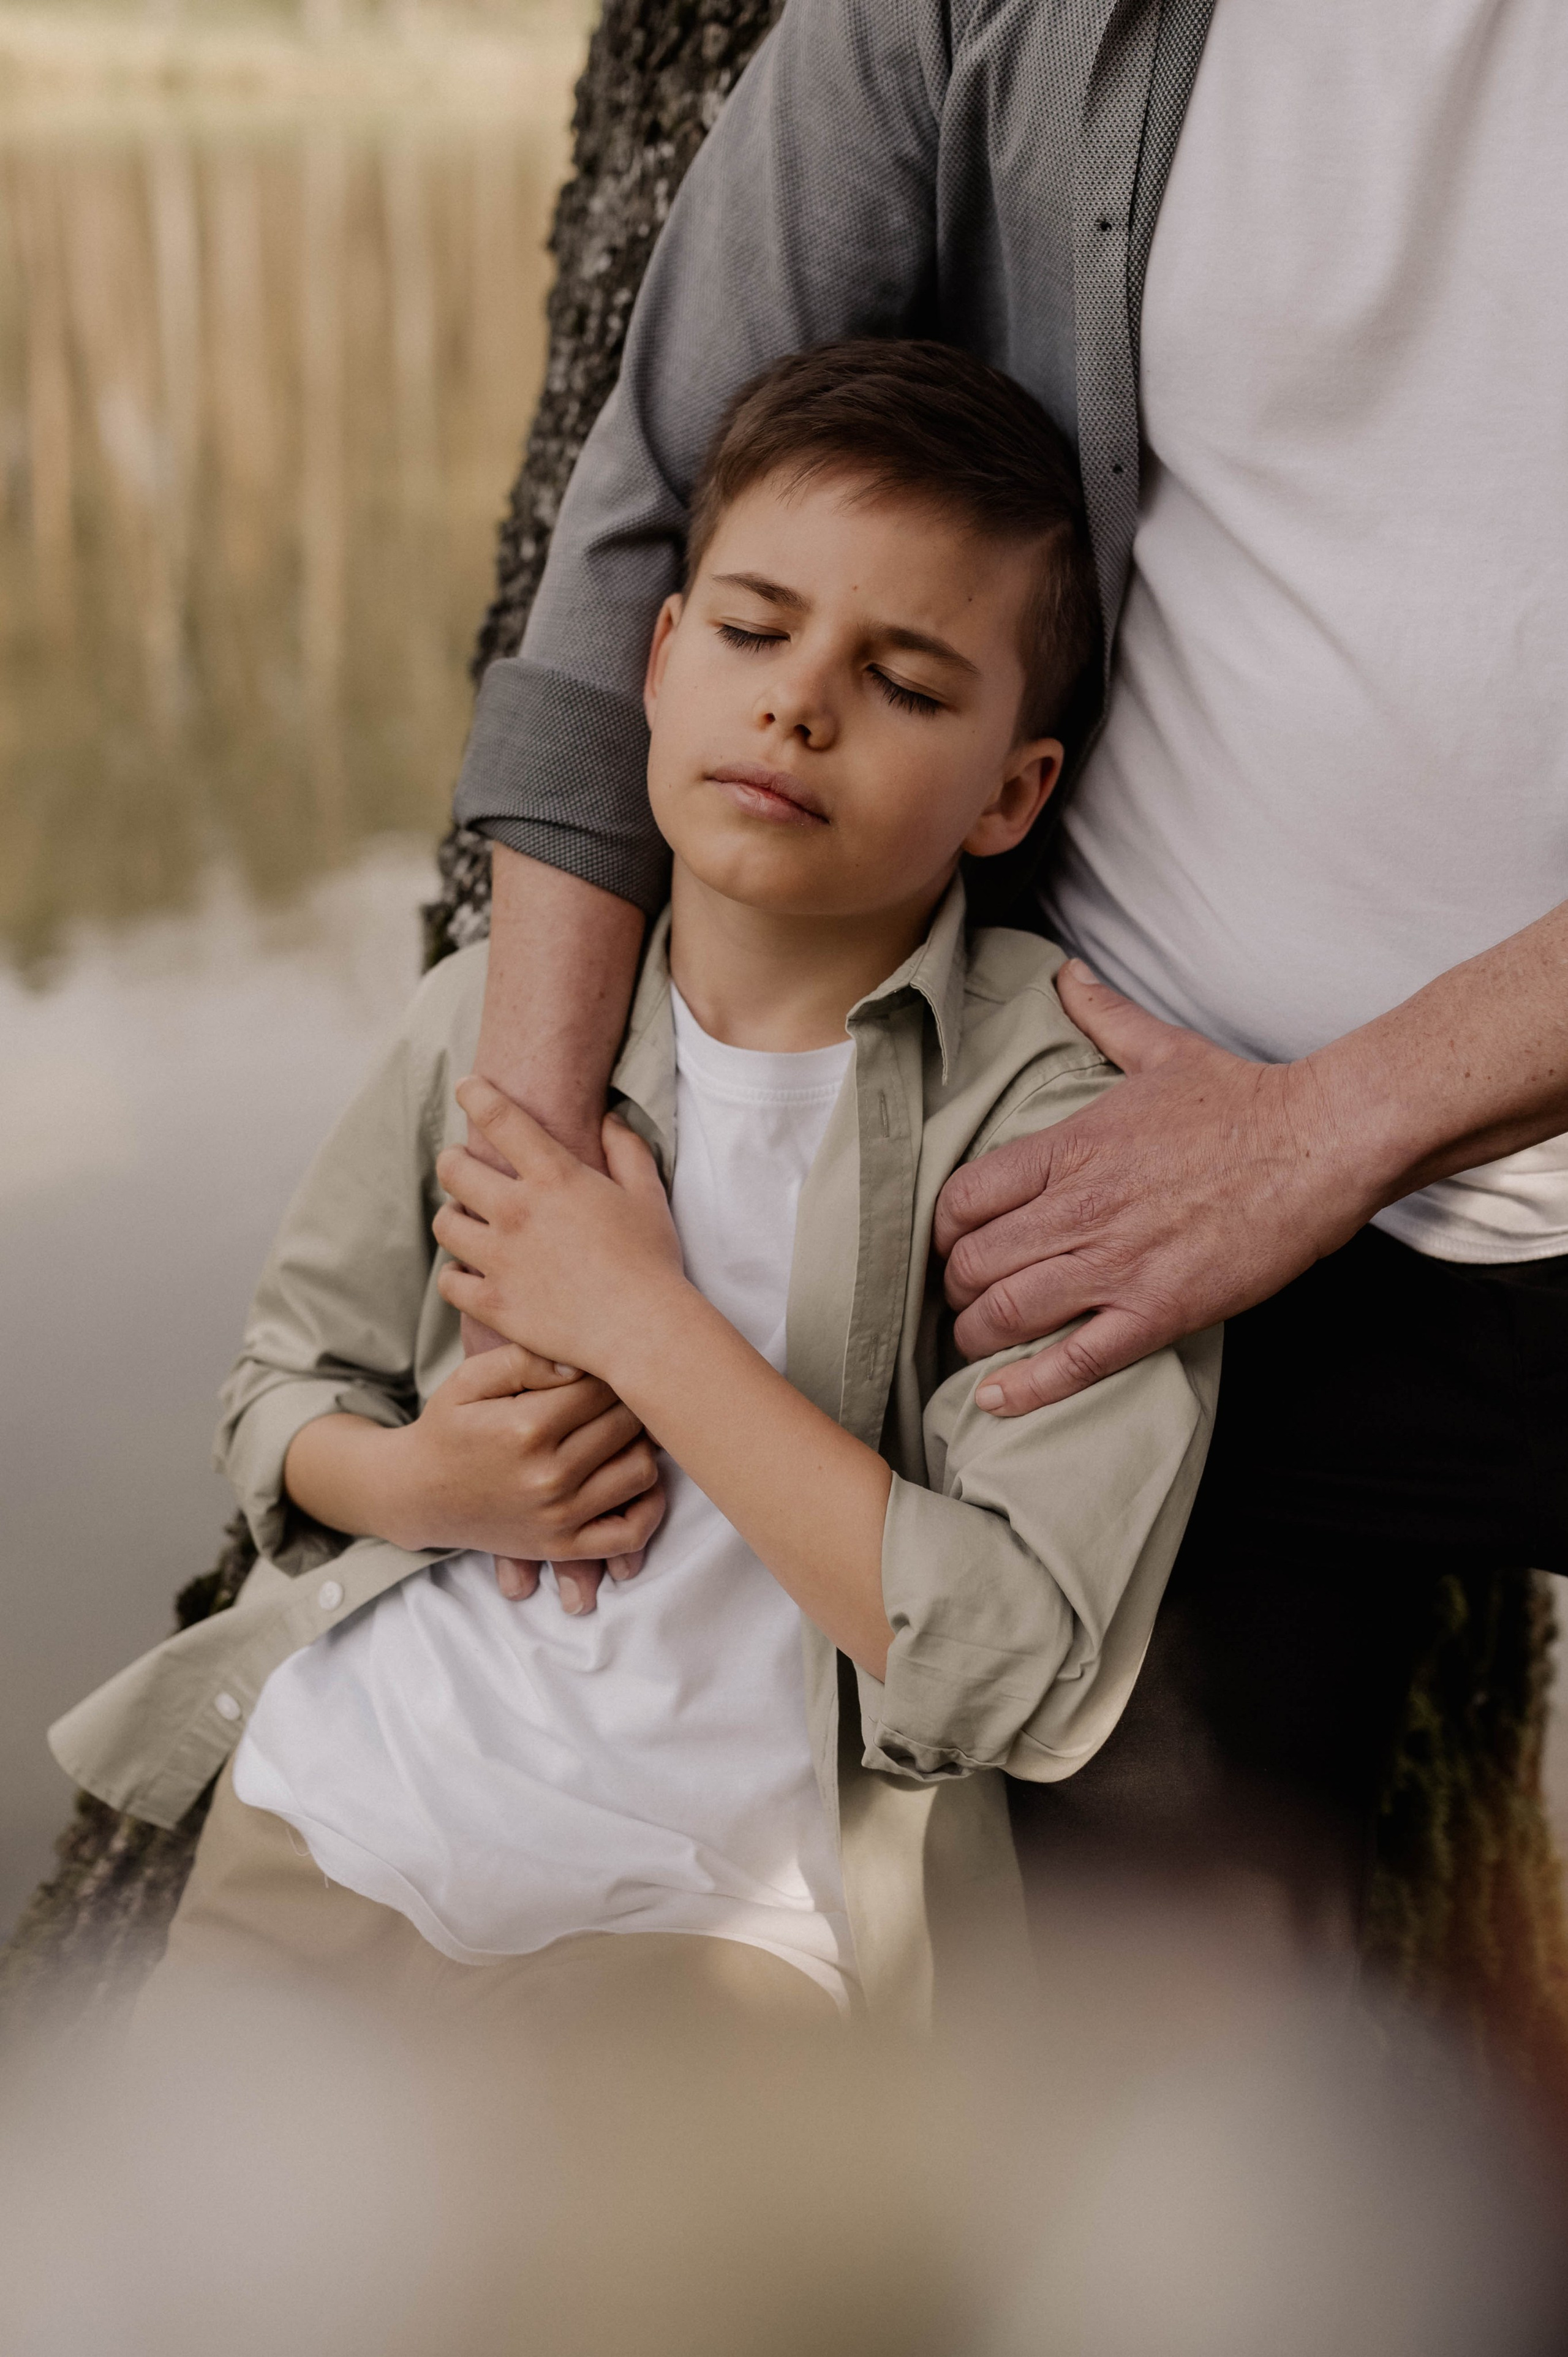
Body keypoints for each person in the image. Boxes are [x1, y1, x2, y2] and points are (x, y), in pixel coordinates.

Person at [450, 0, 1568, 1932]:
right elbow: (650, 525)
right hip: (1139, 1250)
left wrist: (1341, 1124)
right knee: (1162, 2067)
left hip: (1266, 1173)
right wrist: (535, 1247)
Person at [50, 344, 1217, 2038]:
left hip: (720, 1918)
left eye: (903, 681)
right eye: (753, 632)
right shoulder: (494, 1009)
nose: (799, 703)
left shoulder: (1059, 1122)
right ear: (661, 663)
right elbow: (279, 1388)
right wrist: (423, 1479)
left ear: (1013, 790)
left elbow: (1020, 1665)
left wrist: (645, 1325)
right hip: (339, 1814)